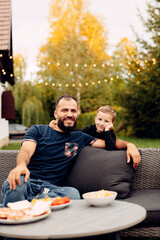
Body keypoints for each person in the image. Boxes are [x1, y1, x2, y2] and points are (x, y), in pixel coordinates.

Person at [2, 94, 141, 208]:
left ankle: (24, 206)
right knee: (17, 182)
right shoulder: (38, 130)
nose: (69, 114)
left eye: (73, 111)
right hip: (28, 182)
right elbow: (26, 150)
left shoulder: (79, 137)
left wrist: (130, 145)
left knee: (73, 194)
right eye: (64, 110)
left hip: (52, 189)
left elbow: (112, 144)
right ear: (56, 114)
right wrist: (21, 165)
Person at [49, 105, 117, 150]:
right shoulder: (91, 128)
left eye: (106, 121)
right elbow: (78, 132)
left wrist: (107, 130)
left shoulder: (110, 133)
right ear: (95, 119)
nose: (102, 123)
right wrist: (58, 126)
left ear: (111, 124)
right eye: (100, 119)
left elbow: (111, 147)